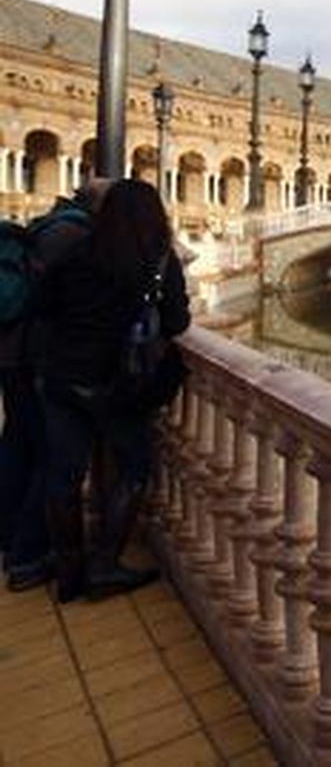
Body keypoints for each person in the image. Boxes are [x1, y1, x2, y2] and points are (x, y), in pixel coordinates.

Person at [35, 178, 189, 602]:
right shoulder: (158, 258)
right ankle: (104, 564)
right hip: (118, 385)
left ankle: (69, 575)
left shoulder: (78, 253)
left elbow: (43, 307)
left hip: (64, 378)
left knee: (63, 476)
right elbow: (177, 323)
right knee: (135, 470)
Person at [0, 180, 106, 591]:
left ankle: (10, 538)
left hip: (13, 353)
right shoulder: (75, 236)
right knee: (51, 456)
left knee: (18, 444)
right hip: (36, 358)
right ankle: (28, 555)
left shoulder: (50, 225)